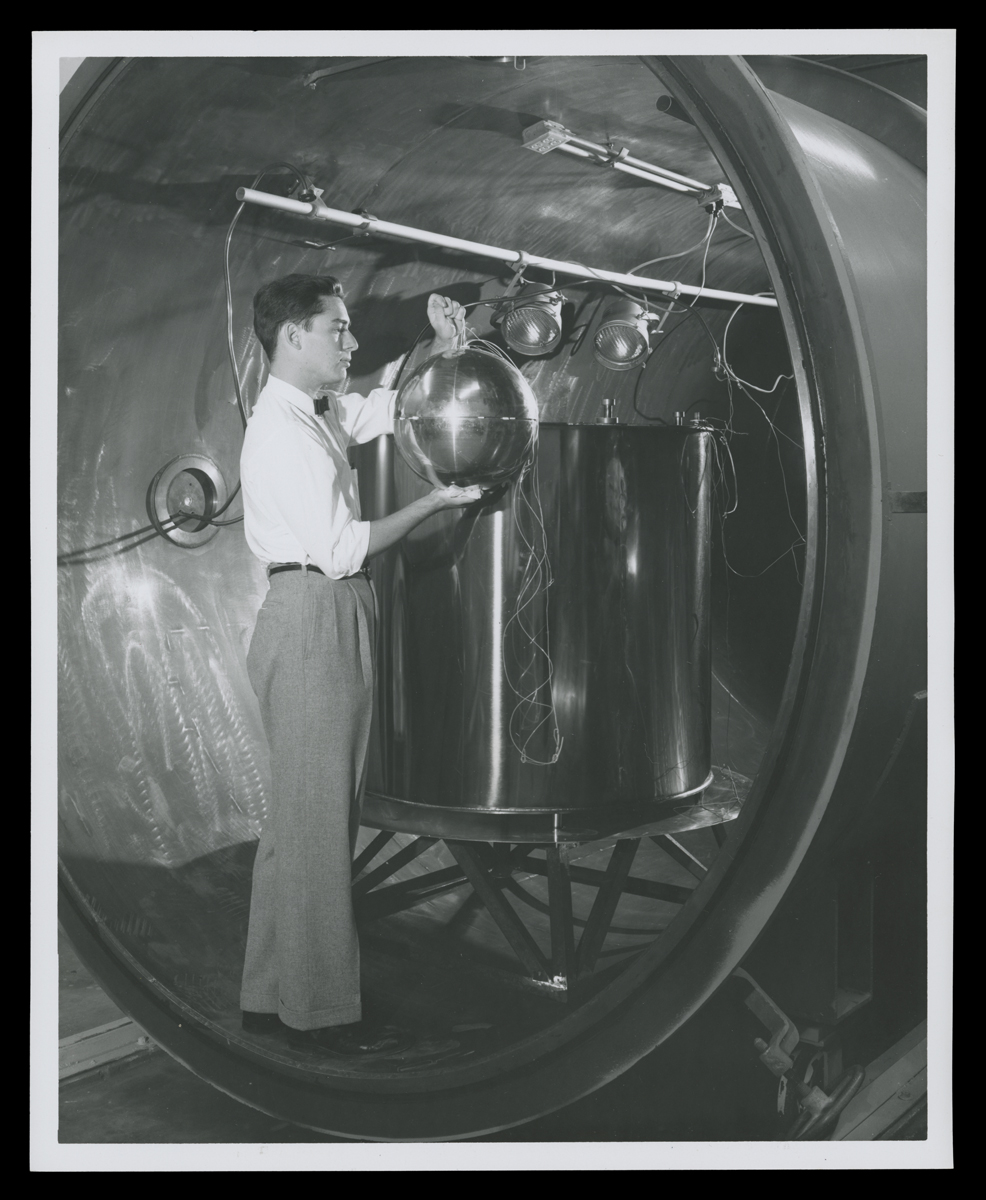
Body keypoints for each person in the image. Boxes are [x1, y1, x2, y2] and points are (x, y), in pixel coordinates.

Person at [237, 273, 481, 1055]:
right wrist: (435, 504)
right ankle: (317, 1014)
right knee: (318, 824)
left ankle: (268, 993)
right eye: (337, 329)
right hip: (316, 613)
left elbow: (380, 403)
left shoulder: (311, 412)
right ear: (292, 337)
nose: (350, 342)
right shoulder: (279, 432)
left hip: (322, 611)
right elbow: (344, 548)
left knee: (298, 822)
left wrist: (438, 347)